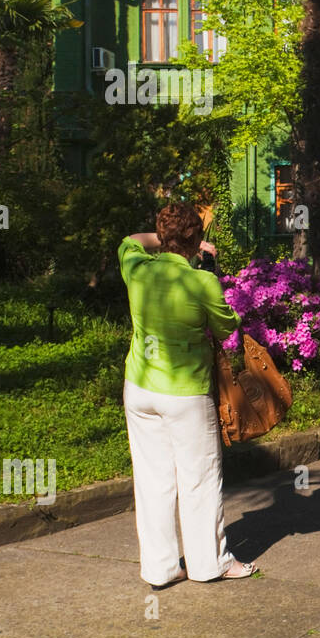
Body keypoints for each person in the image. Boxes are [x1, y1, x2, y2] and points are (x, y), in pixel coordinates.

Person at [118, 202, 256, 587]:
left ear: (161, 238)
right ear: (196, 239)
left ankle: (161, 569)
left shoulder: (138, 268)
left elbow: (130, 240)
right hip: (185, 394)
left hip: (140, 388)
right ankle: (210, 564)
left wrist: (166, 241)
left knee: (152, 480)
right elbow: (227, 325)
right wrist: (201, 258)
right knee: (198, 479)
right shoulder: (201, 282)